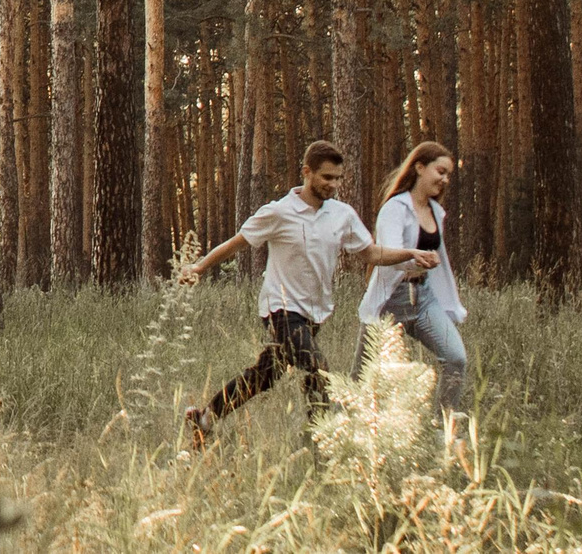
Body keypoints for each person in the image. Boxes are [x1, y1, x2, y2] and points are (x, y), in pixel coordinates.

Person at [180, 141, 435, 446]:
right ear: (307, 172)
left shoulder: (342, 215)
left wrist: (410, 254)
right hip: (281, 308)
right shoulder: (279, 212)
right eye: (327, 177)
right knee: (317, 367)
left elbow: (370, 254)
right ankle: (323, 443)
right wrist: (199, 268)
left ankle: (205, 418)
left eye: (338, 178)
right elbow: (238, 243)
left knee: (266, 375)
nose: (334, 184)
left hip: (315, 313)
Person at [355, 140, 469, 421]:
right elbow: (385, 252)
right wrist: (414, 256)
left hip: (424, 296)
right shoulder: (395, 208)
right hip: (391, 299)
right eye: (440, 171)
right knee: (361, 378)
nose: (444, 179)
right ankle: (342, 431)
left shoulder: (435, 211)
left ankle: (444, 427)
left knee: (455, 358)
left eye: (448, 175)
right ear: (419, 167)